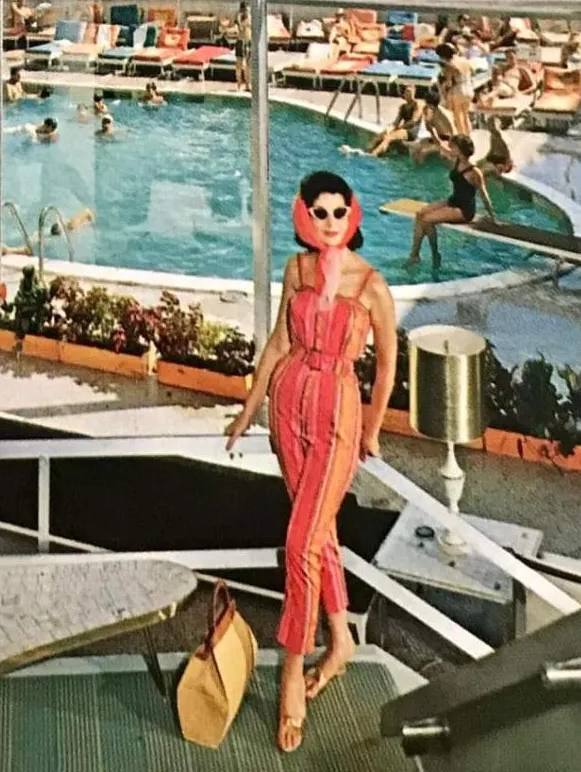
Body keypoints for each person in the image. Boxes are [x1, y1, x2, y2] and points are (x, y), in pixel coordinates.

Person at [224, 173, 396, 754]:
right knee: (318, 534)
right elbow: (277, 344)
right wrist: (249, 411)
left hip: (337, 417)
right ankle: (341, 638)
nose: (329, 223)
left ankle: (292, 670)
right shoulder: (296, 271)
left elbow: (387, 367)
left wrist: (372, 428)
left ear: (353, 214)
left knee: (300, 545)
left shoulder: (371, 285)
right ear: (305, 215)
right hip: (288, 410)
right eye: (319, 213)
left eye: (338, 212)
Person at [408, 134, 497, 269]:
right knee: (420, 214)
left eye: (454, 146)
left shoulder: (474, 172)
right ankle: (414, 255)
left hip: (464, 209)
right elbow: (441, 146)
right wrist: (433, 132)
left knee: (427, 220)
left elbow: (484, 195)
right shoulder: (456, 161)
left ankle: (435, 255)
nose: (451, 148)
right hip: (453, 201)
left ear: (460, 149)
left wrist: (492, 217)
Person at [367, 86, 421, 157]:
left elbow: (413, 121)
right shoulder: (403, 107)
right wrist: (389, 128)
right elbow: (396, 122)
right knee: (382, 134)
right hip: (403, 129)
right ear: (404, 94)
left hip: (411, 131)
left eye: (410, 91)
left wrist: (399, 128)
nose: (408, 93)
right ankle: (368, 150)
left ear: (414, 93)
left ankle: (374, 154)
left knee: (390, 137)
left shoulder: (417, 105)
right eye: (407, 91)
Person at [436, 43, 474, 137]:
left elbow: (448, 82)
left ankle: (462, 137)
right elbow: (473, 71)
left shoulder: (450, 64)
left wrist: (443, 89)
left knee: (458, 116)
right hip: (469, 88)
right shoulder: (464, 60)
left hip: (459, 90)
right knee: (465, 115)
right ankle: (469, 136)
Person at [234, 0, 251, 91]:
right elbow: (239, 28)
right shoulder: (240, 16)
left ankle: (246, 85)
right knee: (240, 64)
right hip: (242, 41)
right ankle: (240, 85)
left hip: (247, 41)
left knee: (247, 64)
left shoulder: (248, 16)